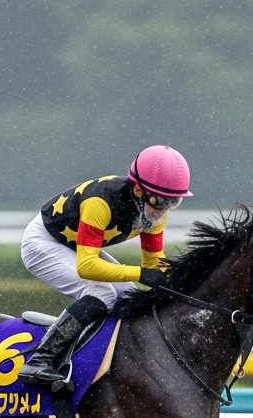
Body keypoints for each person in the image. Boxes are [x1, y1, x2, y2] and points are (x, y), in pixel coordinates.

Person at [17, 145, 192, 391]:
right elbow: (87, 266)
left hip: (73, 245)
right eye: (158, 201)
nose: (162, 210)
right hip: (43, 243)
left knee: (129, 293)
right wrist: (140, 273)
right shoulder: (101, 202)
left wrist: (183, 284)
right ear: (138, 189)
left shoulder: (154, 210)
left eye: (172, 203)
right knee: (103, 293)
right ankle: (41, 359)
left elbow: (153, 264)